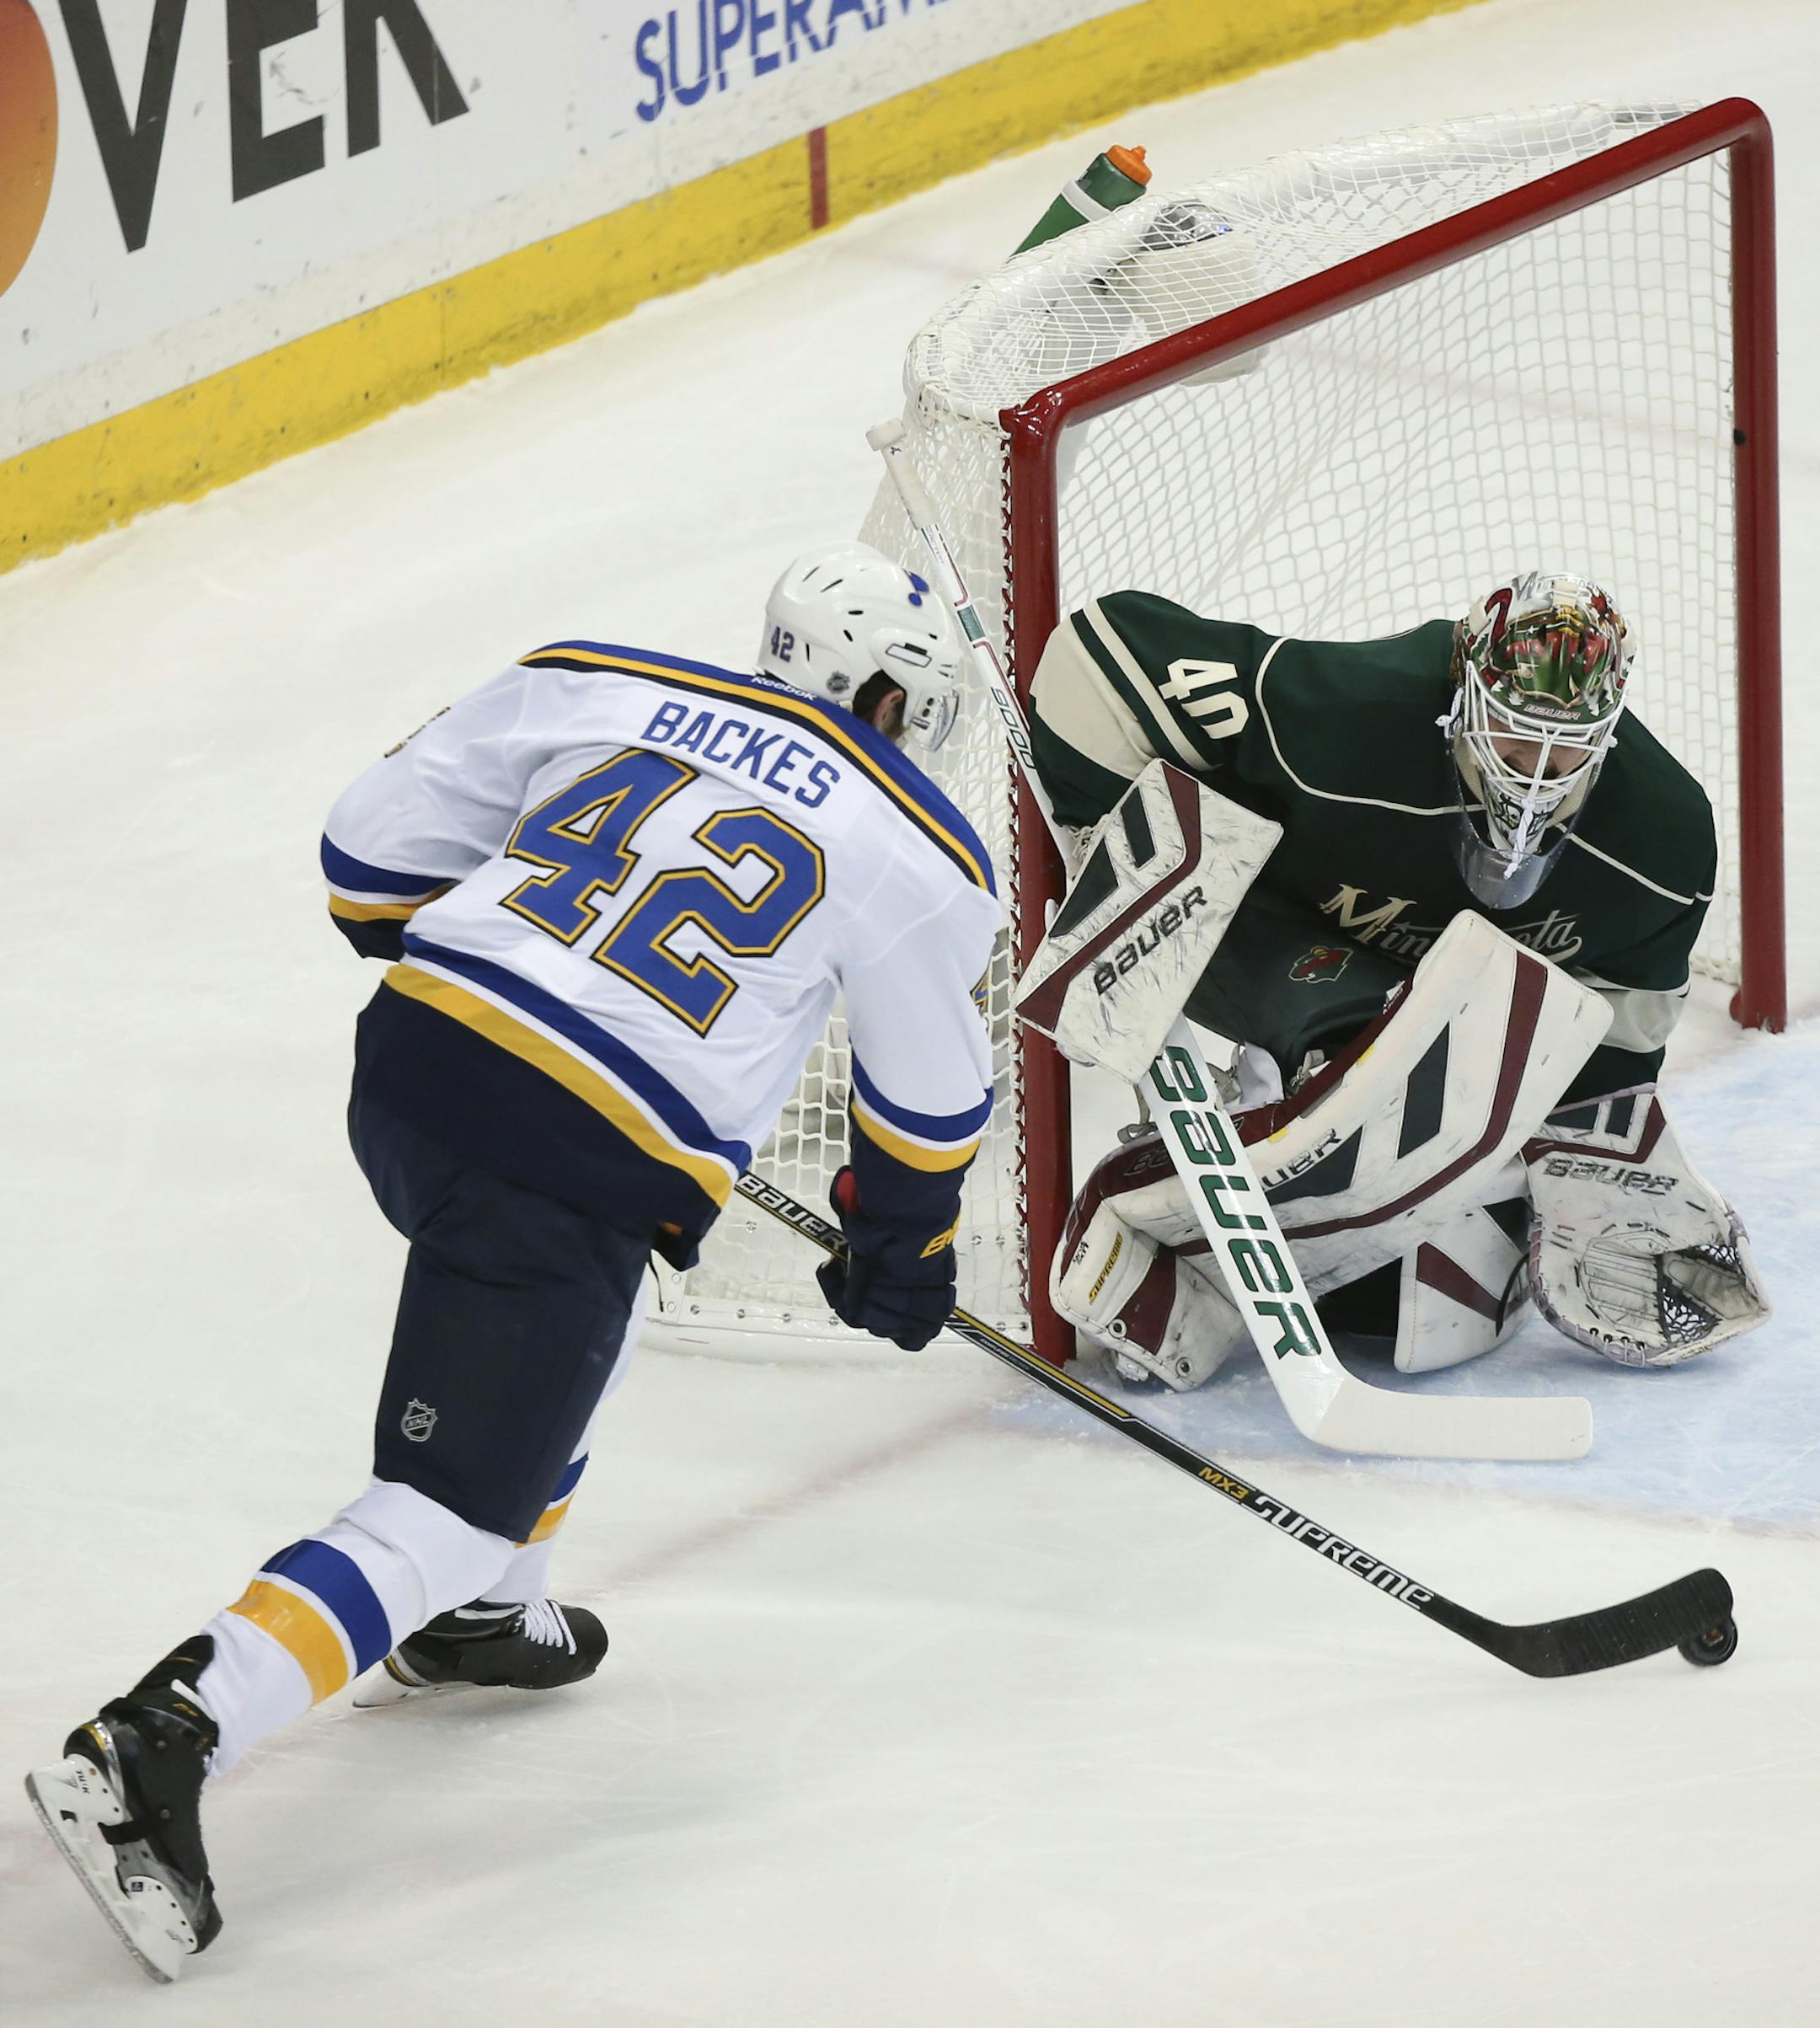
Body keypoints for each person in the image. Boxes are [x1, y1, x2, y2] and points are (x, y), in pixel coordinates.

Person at [26, 540, 1001, 1983]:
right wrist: (900, 1246)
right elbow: (926, 1102)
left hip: (412, 1071)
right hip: (559, 1163)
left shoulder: (593, 681)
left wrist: (506, 991)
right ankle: (166, 1733)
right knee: (446, 1502)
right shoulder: (919, 848)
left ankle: (482, 1615)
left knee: (577, 1320)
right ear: (886, 696)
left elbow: (366, 856)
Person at [1030, 571, 1768, 1387]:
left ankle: (1275, 1143)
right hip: (1256, 924)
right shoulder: (1343, 714)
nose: (1537, 769)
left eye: (1568, 744)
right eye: (1515, 731)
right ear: (1463, 694)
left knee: (1397, 1308)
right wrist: (1106, 841)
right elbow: (1099, 656)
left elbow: (1614, 1041)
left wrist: (1587, 1163)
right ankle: (1156, 1204)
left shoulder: (1663, 840)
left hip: (1425, 1006)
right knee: (1388, 1049)